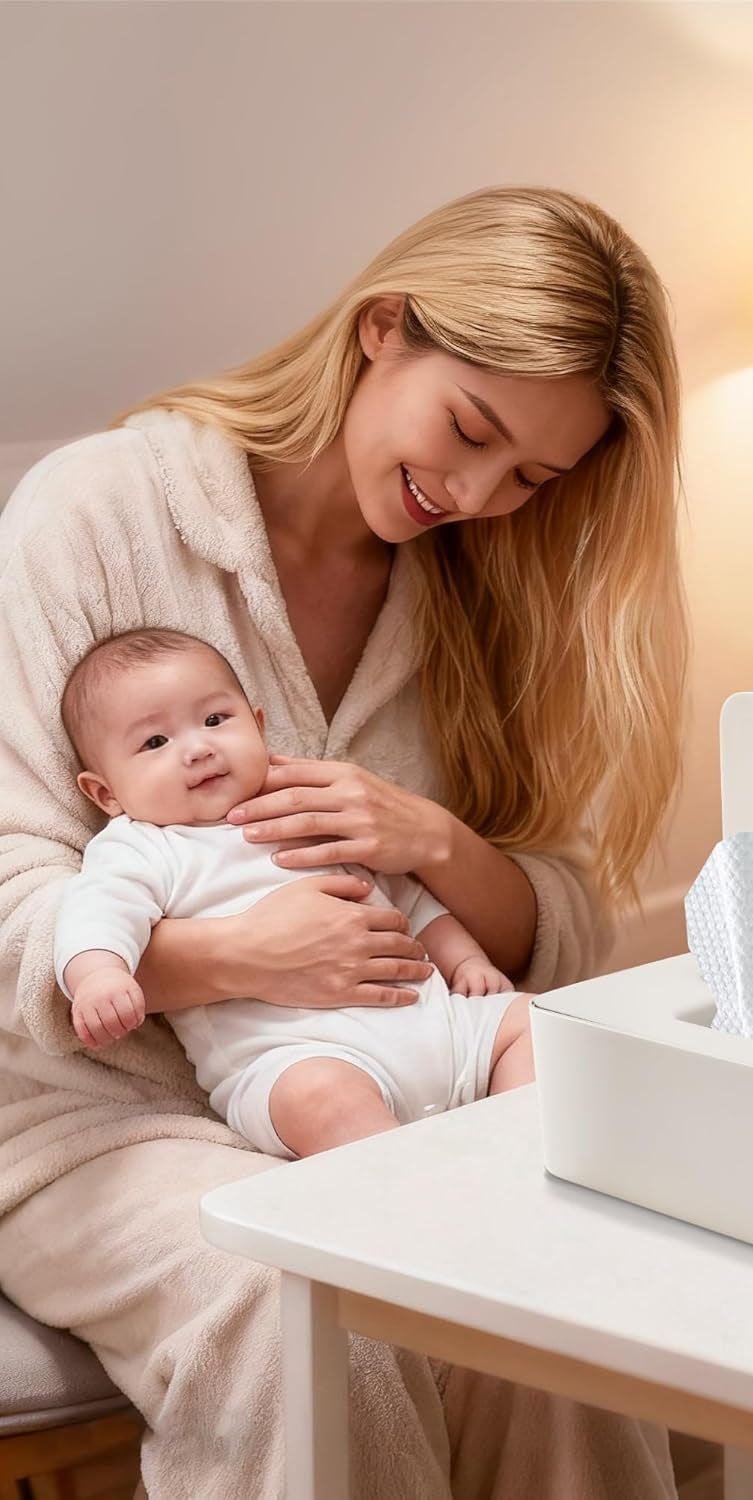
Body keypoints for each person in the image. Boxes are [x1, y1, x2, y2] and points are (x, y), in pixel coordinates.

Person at [0, 186, 686, 1498]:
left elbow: (570, 915)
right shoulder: (99, 516)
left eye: (531, 476)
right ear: (384, 330)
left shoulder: (489, 580)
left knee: (552, 1310)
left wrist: (430, 838)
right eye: (470, 431)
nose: (477, 494)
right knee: (314, 1321)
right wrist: (224, 960)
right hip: (103, 1126)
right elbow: (10, 890)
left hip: (412, 1090)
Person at [55, 628, 537, 1158]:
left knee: (536, 1023)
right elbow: (96, 914)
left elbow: (406, 897)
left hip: (445, 1031)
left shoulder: (310, 806)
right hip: (306, 1056)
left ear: (259, 727)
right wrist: (99, 975)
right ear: (105, 793)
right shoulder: (145, 847)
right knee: (322, 1101)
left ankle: (514, 1153)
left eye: (216, 720)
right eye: (155, 743)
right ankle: (413, 1188)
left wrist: (465, 959)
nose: (198, 749)